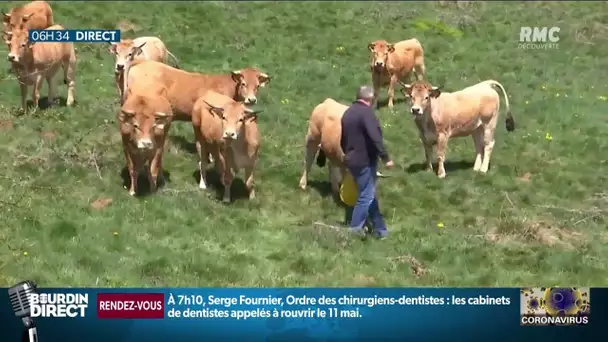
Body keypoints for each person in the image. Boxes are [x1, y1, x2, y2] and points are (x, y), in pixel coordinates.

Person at [340, 85, 393, 238]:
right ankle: (354, 230)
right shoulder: (366, 113)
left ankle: (380, 229)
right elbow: (375, 136)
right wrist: (386, 158)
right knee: (366, 196)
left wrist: (348, 154)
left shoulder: (348, 113)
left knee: (368, 193)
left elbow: (343, 139)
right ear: (370, 99)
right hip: (364, 160)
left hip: (351, 159)